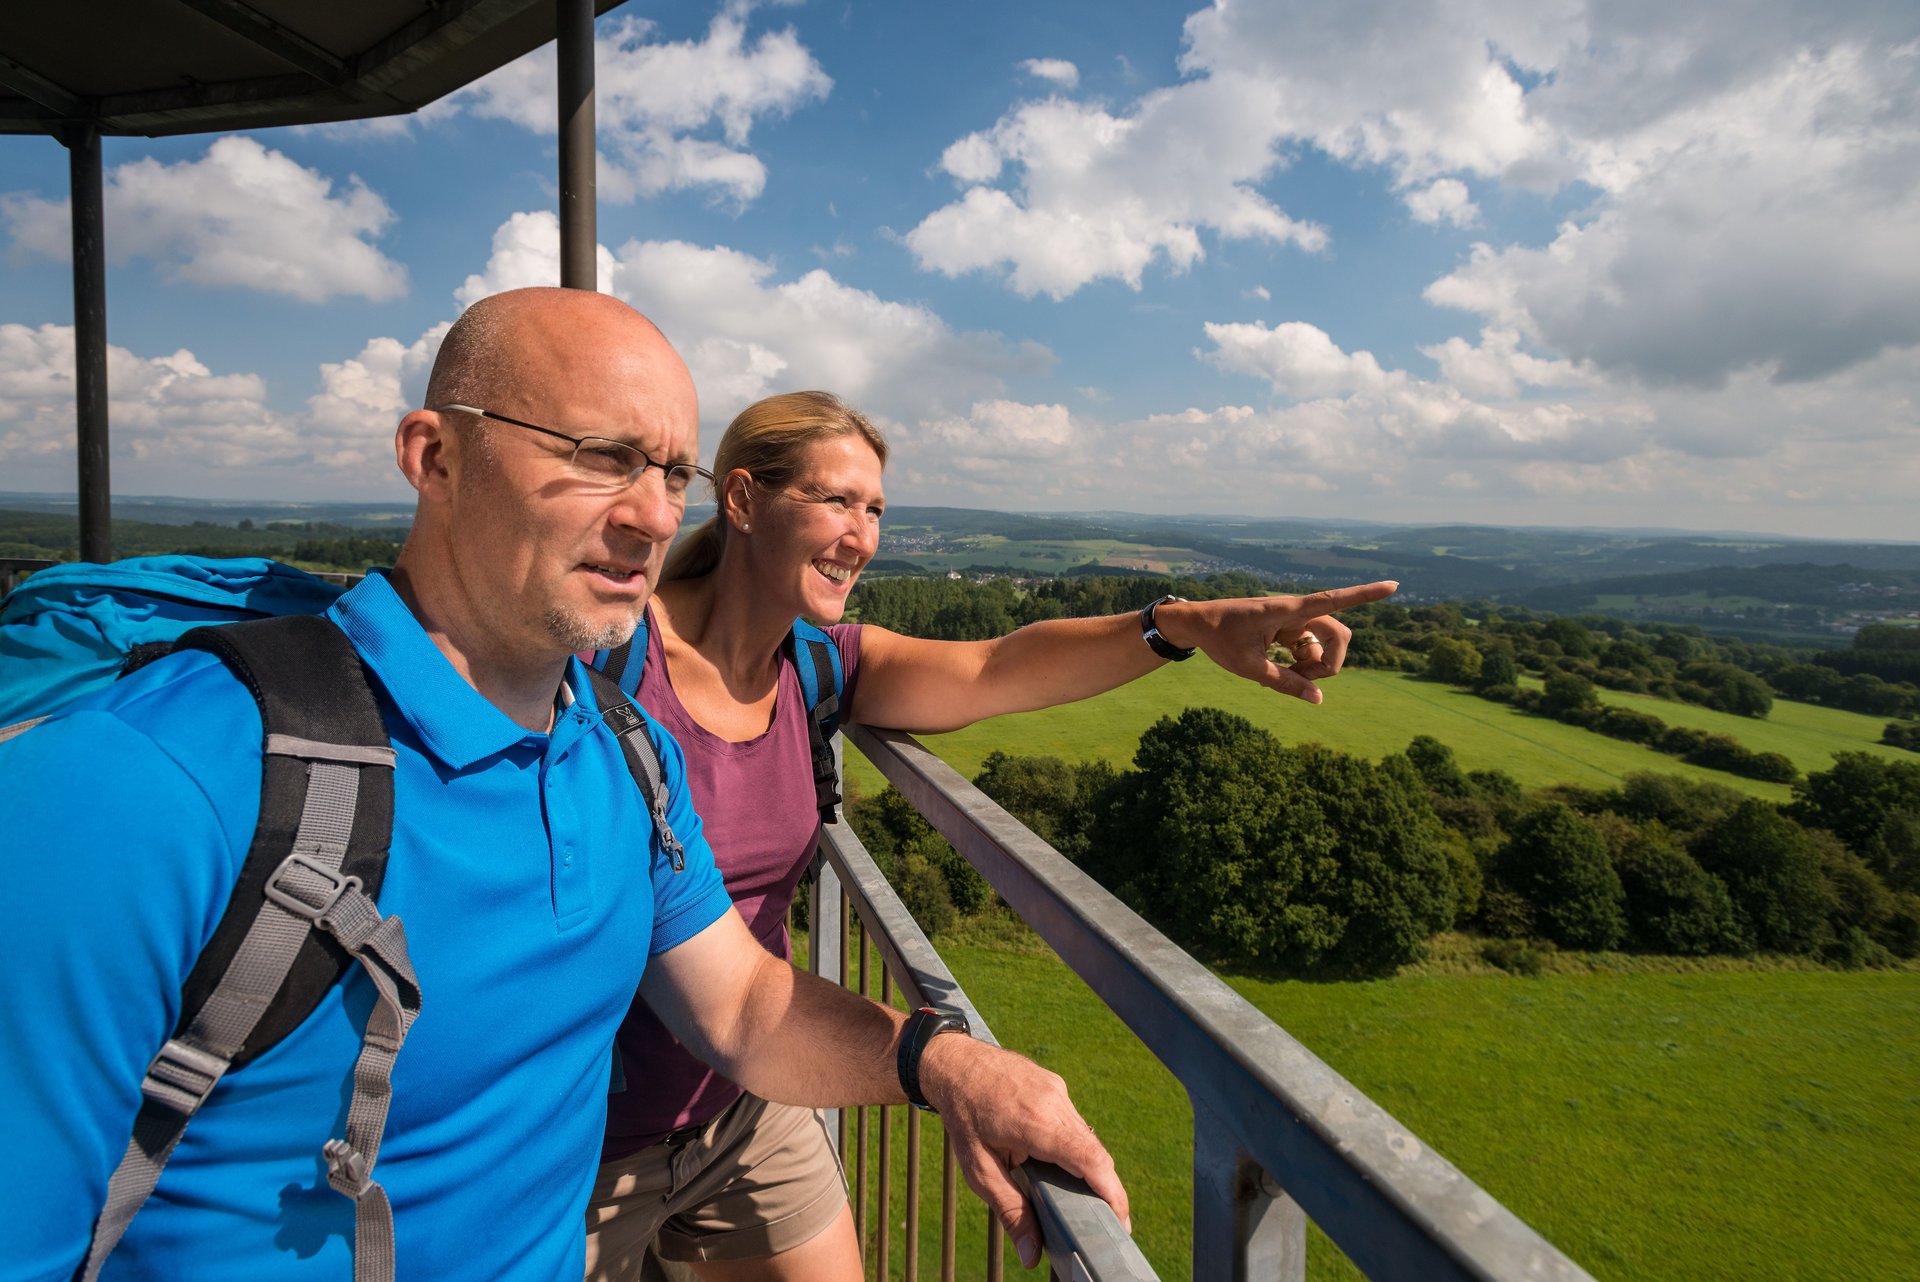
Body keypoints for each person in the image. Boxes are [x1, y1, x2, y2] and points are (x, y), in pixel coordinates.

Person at [0, 289, 1121, 1282]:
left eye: (668, 471)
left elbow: (741, 1004)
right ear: (433, 456)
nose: (645, 513)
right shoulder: (149, 782)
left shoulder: (624, 755)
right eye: (596, 452)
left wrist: (952, 1063)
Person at [585, 389, 1397, 1279]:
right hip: (588, 1140)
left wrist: (1184, 626)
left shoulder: (820, 666)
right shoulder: (606, 661)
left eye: (876, 510)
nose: (860, 534)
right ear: (741, 501)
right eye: (835, 500)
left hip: (749, 1104)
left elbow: (997, 666)